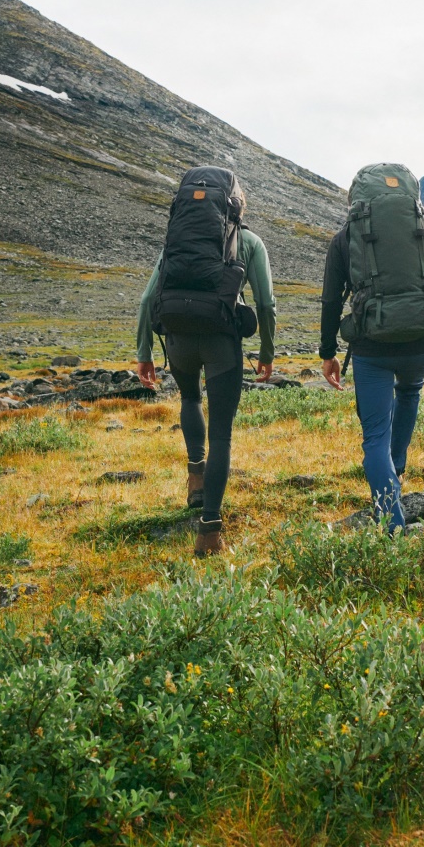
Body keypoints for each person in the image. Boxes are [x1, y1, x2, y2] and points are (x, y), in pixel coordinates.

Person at [136, 169, 276, 557]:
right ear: (236, 205)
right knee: (223, 435)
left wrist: (145, 353)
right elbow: (265, 304)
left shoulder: (176, 241)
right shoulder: (249, 242)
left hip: (178, 340)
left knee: (190, 400)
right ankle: (210, 530)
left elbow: (149, 300)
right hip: (221, 343)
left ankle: (195, 476)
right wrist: (266, 352)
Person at [319, 163, 424, 532]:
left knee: (374, 440)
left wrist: (327, 352)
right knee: (409, 393)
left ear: (357, 199)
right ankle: (397, 472)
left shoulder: (345, 237)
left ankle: (393, 525)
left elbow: (331, 301)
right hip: (419, 341)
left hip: (371, 348)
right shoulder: (420, 229)